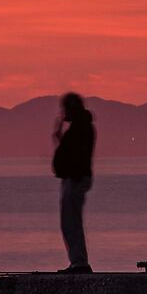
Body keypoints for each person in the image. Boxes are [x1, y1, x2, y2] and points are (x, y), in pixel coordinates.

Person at [51, 91, 97, 272]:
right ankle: (77, 261)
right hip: (74, 177)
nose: (63, 113)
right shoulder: (81, 126)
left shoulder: (80, 127)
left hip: (75, 178)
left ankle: (79, 262)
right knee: (69, 221)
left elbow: (75, 153)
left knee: (71, 222)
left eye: (65, 109)